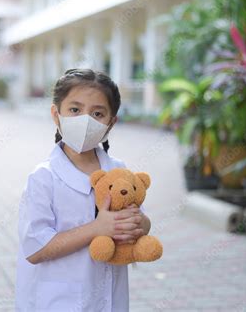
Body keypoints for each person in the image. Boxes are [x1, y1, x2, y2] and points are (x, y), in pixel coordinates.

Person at [15, 68, 152, 311]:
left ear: (111, 123)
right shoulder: (44, 178)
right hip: (59, 303)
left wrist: (138, 224)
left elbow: (141, 220)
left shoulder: (119, 171)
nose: (85, 120)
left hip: (110, 300)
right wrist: (98, 228)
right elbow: (35, 249)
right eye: (75, 110)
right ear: (56, 115)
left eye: (97, 113)